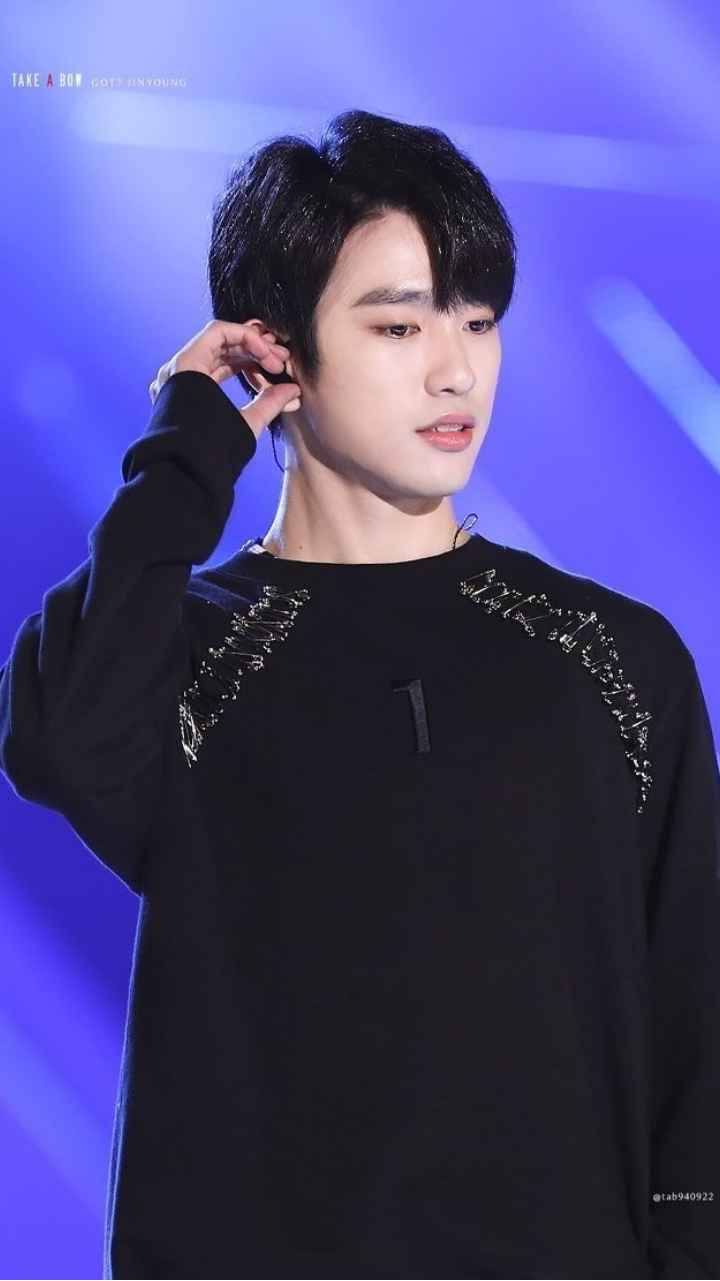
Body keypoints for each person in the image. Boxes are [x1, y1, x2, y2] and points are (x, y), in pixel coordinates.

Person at [1, 107, 719, 1280]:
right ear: (276, 349)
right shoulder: (192, 655)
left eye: (477, 320)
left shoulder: (612, 659)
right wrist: (186, 449)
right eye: (397, 325)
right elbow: (55, 740)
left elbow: (696, 1014)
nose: (456, 369)